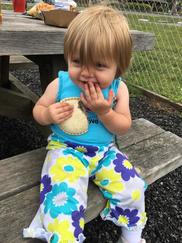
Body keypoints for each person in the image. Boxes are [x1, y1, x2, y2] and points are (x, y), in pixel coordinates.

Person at [23, 5, 147, 243]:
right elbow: (37, 110)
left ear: (118, 67)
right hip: (65, 150)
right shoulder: (60, 84)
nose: (87, 74)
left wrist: (104, 112)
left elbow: (123, 125)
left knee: (133, 188)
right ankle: (64, 237)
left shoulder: (118, 89)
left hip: (104, 153)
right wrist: (48, 114)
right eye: (78, 62)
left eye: (99, 66)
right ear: (68, 56)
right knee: (61, 198)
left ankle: (131, 236)